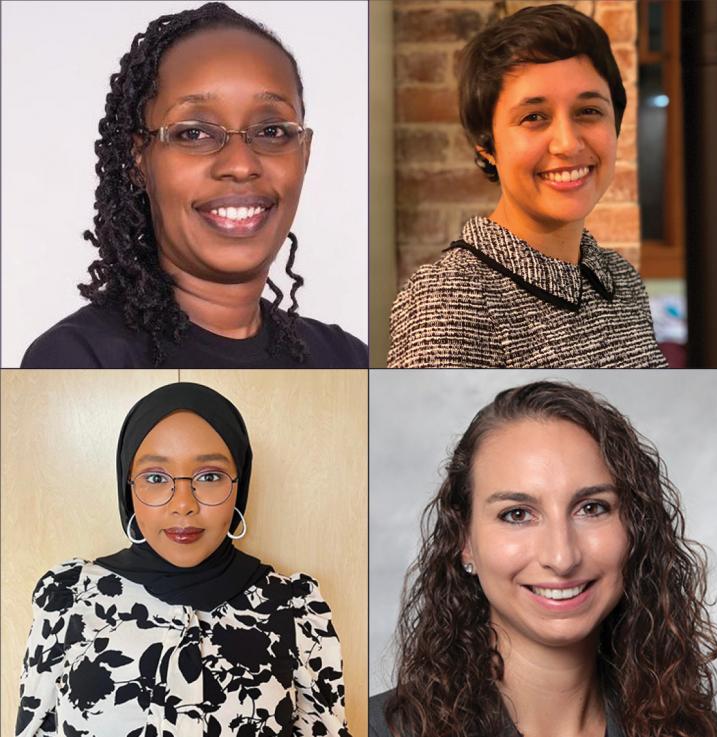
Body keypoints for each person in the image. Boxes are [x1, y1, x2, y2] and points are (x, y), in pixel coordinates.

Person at [369, 381, 717, 737]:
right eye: (517, 514)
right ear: (464, 541)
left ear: (636, 528)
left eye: (592, 508)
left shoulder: (697, 730)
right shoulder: (371, 728)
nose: (561, 556)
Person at [21, 2, 366, 368]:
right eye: (194, 132)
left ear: (305, 153)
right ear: (140, 160)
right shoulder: (78, 360)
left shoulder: (348, 359)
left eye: (271, 131)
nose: (240, 164)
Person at [16, 382, 350, 737]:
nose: (183, 504)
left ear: (241, 483)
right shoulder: (68, 598)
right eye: (156, 477)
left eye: (209, 476)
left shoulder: (295, 607)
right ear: (128, 487)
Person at [387, 4, 666, 368]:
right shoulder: (448, 298)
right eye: (534, 117)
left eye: (588, 111)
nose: (568, 143)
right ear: (487, 147)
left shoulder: (622, 279)